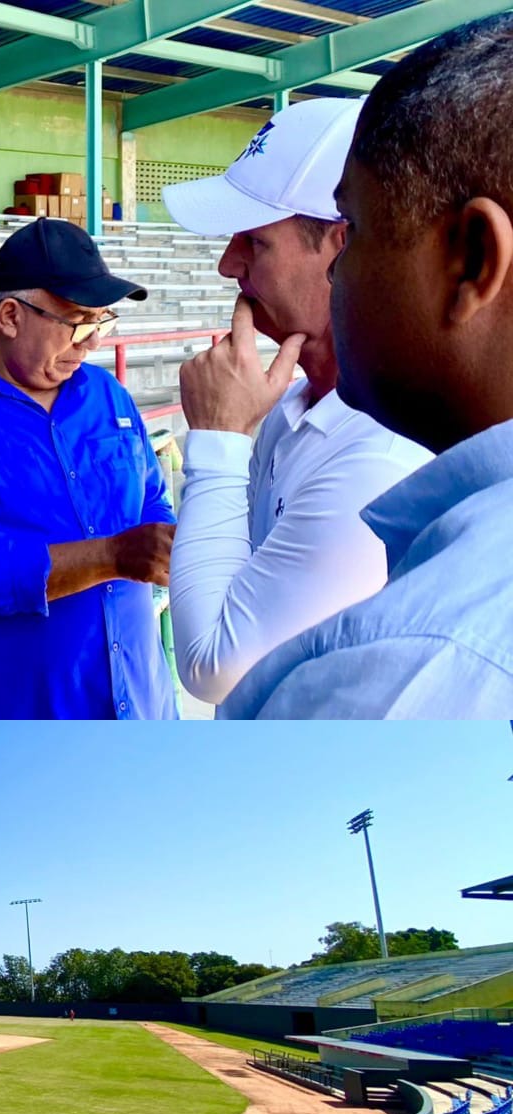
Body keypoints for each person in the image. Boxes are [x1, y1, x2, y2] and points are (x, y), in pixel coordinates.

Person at [225, 14, 513, 717]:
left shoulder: (407, 672)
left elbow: (215, 663)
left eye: (355, 230)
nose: (338, 270)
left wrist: (214, 443)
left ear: (471, 261)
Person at [163, 99, 432, 708]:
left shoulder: (381, 456)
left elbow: (214, 668)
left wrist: (219, 440)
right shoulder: (291, 409)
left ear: (342, 247)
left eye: (255, 242)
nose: (227, 264)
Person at [0, 218, 177, 719]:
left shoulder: (107, 394)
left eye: (102, 322)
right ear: (10, 316)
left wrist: (165, 545)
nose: (91, 343)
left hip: (139, 700)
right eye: (77, 322)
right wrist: (112, 556)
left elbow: (150, 498)